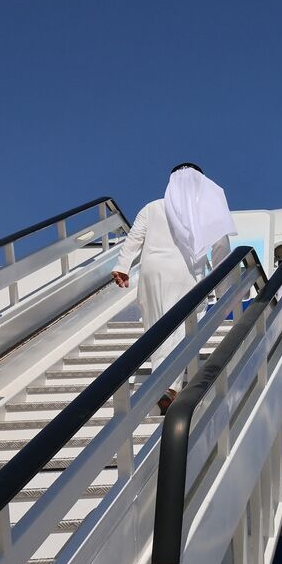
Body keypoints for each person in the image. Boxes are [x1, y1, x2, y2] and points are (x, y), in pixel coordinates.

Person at [111, 163, 236, 413]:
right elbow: (221, 248)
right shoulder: (205, 210)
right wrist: (224, 290)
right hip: (185, 274)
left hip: (151, 272)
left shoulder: (153, 207)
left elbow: (135, 237)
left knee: (157, 329)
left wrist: (122, 266)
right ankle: (167, 385)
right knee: (181, 329)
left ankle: (164, 383)